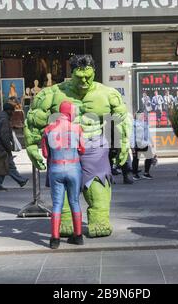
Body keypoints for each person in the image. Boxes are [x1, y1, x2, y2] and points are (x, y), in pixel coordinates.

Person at [25, 54, 130, 238]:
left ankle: (99, 218)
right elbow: (35, 118)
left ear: (94, 72)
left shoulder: (107, 94)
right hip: (62, 149)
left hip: (94, 146)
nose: (84, 80)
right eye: (79, 76)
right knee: (62, 187)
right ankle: (65, 219)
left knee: (98, 185)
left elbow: (121, 119)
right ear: (71, 73)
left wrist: (123, 143)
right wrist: (32, 146)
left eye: (88, 76)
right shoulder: (52, 94)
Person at [41, 101, 85, 249]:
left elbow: (45, 153)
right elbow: (82, 149)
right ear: (69, 112)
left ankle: (55, 240)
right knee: (74, 202)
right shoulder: (77, 128)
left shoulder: (48, 129)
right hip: (74, 168)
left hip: (56, 168)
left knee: (57, 204)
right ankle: (78, 236)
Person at [0, 103, 29, 191]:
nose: (13, 113)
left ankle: (19, 181)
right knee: (7, 166)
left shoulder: (1, 118)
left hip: (0, 147)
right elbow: (4, 135)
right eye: (12, 111)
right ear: (8, 111)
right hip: (3, 147)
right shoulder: (4, 120)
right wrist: (9, 147)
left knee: (4, 166)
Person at [131, 110, 154, 180]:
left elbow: (148, 134)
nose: (142, 116)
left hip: (145, 144)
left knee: (149, 157)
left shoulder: (145, 124)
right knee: (136, 159)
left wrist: (151, 142)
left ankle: (146, 173)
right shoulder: (133, 124)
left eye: (143, 115)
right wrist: (132, 146)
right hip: (136, 145)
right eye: (140, 115)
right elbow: (131, 135)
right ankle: (135, 174)